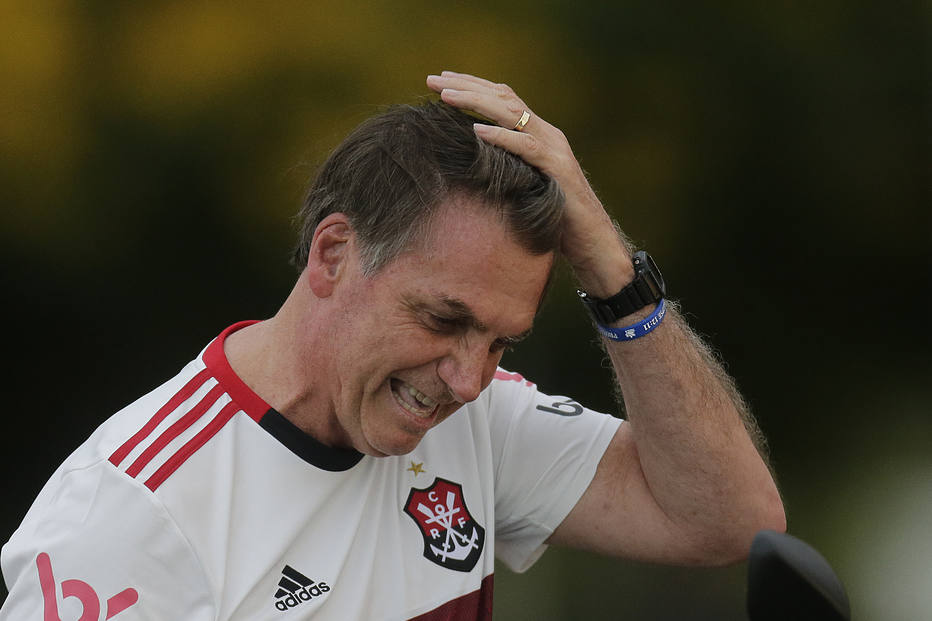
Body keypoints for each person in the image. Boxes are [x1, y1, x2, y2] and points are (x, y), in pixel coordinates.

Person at [0, 72, 784, 620]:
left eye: (501, 343)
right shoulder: (132, 517)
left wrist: (614, 275)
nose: (468, 379)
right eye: (443, 319)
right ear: (333, 254)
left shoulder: (479, 421)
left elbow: (730, 520)